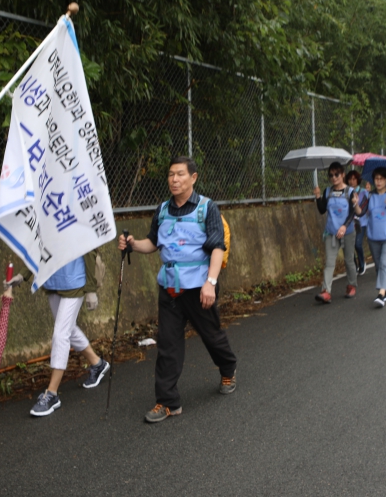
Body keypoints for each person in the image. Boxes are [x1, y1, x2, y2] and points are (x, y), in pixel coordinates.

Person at [117, 156, 236, 424]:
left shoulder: (207, 208)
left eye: (180, 174)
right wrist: (133, 244)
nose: (174, 179)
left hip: (199, 288)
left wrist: (211, 283)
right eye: (171, 174)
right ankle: (168, 401)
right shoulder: (161, 210)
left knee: (212, 336)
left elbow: (218, 247)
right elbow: (153, 243)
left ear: (193, 178)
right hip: (169, 287)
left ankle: (228, 368)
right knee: (168, 345)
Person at [29, 255, 109, 417]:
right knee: (68, 329)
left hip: (75, 281)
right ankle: (97, 363)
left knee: (61, 334)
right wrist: (23, 274)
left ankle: (51, 393)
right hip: (53, 281)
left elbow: (90, 249)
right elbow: (38, 247)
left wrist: (91, 289)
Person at [312, 162, 358, 303]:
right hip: (331, 233)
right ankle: (326, 291)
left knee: (348, 260)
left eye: (337, 174)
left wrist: (344, 226)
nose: (334, 177)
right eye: (331, 175)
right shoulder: (328, 191)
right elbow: (322, 210)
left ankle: (351, 285)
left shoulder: (351, 192)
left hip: (348, 232)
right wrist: (318, 197)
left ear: (343, 174)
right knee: (329, 263)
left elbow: (352, 213)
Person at [360, 166, 386, 307]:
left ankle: (381, 294)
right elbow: (360, 212)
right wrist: (354, 203)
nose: (378, 182)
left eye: (381, 179)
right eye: (376, 179)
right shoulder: (369, 195)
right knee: (379, 266)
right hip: (373, 237)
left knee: (384, 263)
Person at [346, 171, 368, 276]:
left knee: (357, 244)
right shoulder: (346, 192)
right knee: (349, 245)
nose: (352, 181)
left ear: (358, 180)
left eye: (354, 179)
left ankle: (362, 263)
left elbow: (363, 209)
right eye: (350, 179)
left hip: (361, 222)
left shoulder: (364, 192)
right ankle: (354, 266)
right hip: (349, 223)